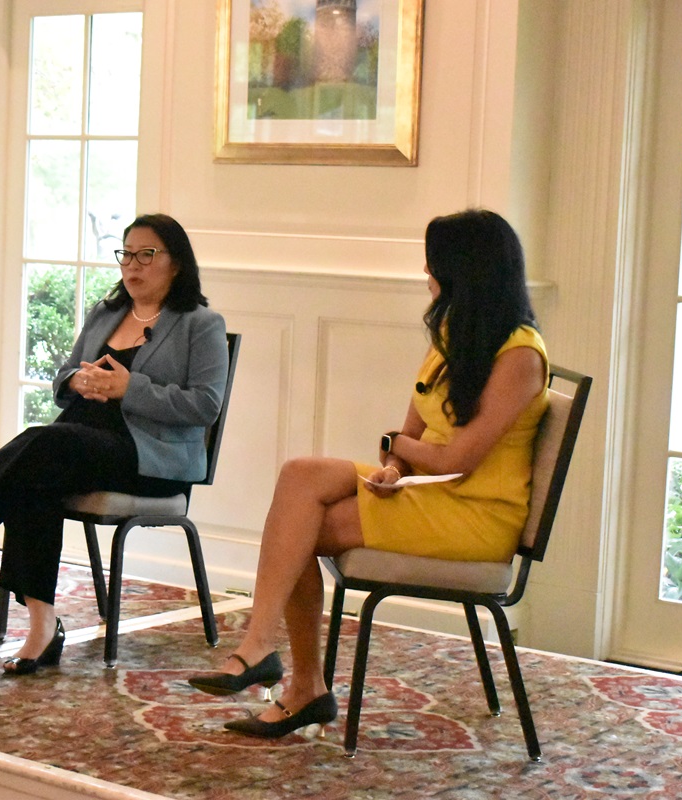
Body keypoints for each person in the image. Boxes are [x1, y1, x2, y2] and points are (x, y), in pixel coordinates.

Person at [187, 208, 549, 738]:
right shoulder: (455, 329)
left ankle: (297, 681)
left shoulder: (520, 356)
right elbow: (416, 431)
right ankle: (264, 649)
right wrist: (395, 465)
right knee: (300, 476)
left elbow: (457, 459)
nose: (427, 276)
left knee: (301, 530)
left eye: (434, 267)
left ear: (464, 273)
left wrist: (395, 449)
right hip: (433, 492)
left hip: (476, 515)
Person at [0, 213, 229, 676]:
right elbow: (62, 378)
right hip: (81, 441)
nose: (133, 266)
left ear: (177, 263)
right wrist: (78, 380)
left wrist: (130, 388)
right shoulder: (107, 312)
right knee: (35, 473)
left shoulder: (200, 324)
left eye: (148, 255)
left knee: (41, 446)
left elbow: (206, 405)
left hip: (150, 457)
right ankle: (42, 627)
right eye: (127, 255)